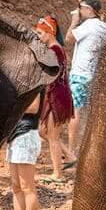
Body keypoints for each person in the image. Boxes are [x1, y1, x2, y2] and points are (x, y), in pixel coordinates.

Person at [65, 0, 106, 165]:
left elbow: (69, 39)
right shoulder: (104, 28)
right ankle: (90, 151)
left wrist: (74, 21)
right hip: (95, 75)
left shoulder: (88, 26)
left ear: (89, 10)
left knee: (74, 111)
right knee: (91, 113)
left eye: (80, 7)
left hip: (80, 73)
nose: (79, 10)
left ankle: (71, 152)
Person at [32, 15, 75, 180]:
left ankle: (58, 173)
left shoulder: (55, 50)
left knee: (53, 137)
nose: (39, 37)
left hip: (57, 95)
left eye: (40, 33)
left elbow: (50, 75)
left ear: (49, 33)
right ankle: (70, 156)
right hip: (57, 94)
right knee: (43, 131)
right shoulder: (56, 48)